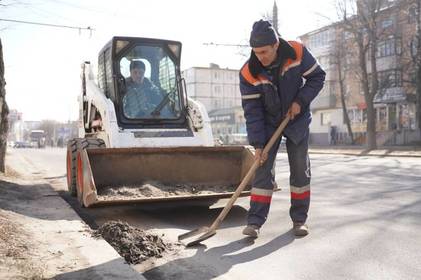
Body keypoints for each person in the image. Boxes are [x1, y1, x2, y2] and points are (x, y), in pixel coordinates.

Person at [239, 20, 326, 237]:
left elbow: (317, 77)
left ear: (276, 45)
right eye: (256, 52)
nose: (260, 57)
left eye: (264, 51)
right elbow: (252, 111)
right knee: (262, 170)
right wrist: (258, 144)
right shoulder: (249, 72)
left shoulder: (297, 51)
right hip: (268, 123)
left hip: (295, 118)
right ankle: (255, 222)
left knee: (299, 169)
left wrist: (300, 101)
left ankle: (299, 220)